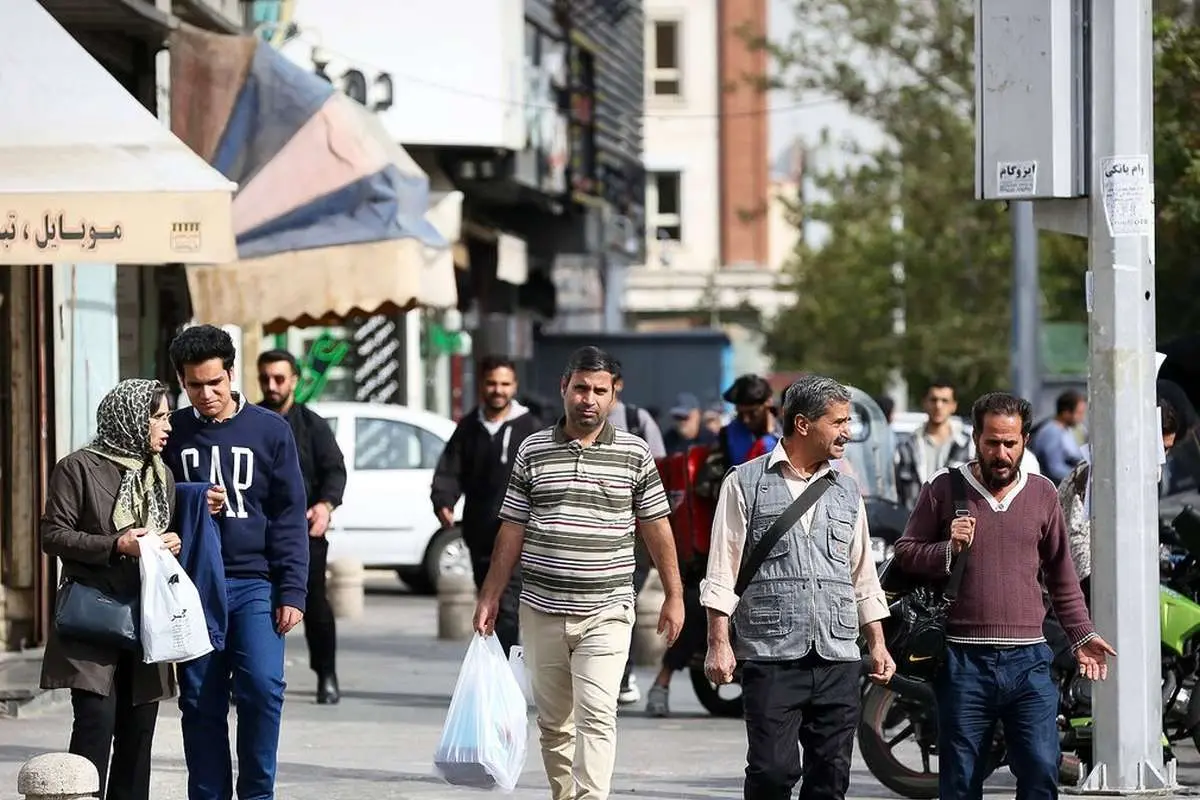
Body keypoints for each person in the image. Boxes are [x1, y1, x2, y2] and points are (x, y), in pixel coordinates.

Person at [473, 345, 684, 800]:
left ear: (614, 395)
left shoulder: (634, 452)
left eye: (599, 391)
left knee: (596, 715)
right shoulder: (533, 449)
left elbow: (656, 526)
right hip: (541, 610)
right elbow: (512, 528)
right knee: (554, 724)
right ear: (564, 388)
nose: (589, 399)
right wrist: (490, 595)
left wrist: (675, 594)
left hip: (606, 610)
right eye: (580, 388)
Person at [894, 391, 1115, 800]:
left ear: (1024, 441)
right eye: (992, 441)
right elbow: (905, 553)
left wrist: (1082, 636)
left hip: (1029, 662)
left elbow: (1062, 576)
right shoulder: (944, 488)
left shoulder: (1043, 494)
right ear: (976, 437)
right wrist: (946, 549)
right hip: (962, 663)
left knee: (1041, 768)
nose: (1000, 452)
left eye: (1009, 443)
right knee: (960, 780)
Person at [701, 374, 895, 800]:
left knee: (830, 777)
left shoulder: (846, 490)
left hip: (838, 656)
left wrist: (877, 643)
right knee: (772, 772)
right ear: (804, 424)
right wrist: (719, 642)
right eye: (838, 421)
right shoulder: (744, 482)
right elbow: (721, 571)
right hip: (771, 657)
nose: (847, 431)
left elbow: (862, 574)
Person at [162, 325, 309, 800]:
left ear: (231, 374)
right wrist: (189, 498)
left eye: (214, 383)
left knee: (263, 690)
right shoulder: (173, 433)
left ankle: (257, 795)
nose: (205, 394)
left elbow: (289, 515)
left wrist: (293, 590)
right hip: (191, 585)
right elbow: (145, 500)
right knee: (200, 701)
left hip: (255, 583)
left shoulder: (271, 431)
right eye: (193, 385)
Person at [40, 379, 183, 800]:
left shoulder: (162, 475)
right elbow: (53, 535)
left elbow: (155, 542)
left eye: (167, 416)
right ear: (131, 420)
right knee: (94, 729)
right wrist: (116, 544)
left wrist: (168, 544)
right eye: (158, 417)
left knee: (138, 739)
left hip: (146, 622)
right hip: (93, 620)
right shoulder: (78, 468)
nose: (167, 426)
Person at [431, 354, 542, 656]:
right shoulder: (469, 427)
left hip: (521, 534)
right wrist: (444, 500)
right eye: (492, 383)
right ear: (482, 385)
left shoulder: (530, 427)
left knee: (505, 604)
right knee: (488, 600)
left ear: (514, 386)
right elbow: (450, 470)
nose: (498, 390)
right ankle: (498, 668)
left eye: (505, 384)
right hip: (481, 535)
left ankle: (504, 670)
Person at [257, 349, 347, 704]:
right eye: (266, 378)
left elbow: (335, 471)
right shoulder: (253, 420)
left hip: (303, 532)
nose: (273, 385)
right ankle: (246, 675)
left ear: (294, 380)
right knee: (254, 602)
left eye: (280, 378)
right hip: (257, 531)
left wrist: (325, 506)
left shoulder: (312, 425)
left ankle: (327, 673)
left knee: (316, 606)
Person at [1060, 394, 1179, 605]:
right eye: (1159, 449)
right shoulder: (1093, 475)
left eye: (1167, 450)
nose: (1162, 458)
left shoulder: (1144, 478)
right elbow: (1076, 538)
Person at [894, 378, 973, 509]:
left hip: (955, 522)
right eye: (933, 400)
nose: (938, 406)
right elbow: (894, 491)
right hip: (914, 522)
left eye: (945, 401)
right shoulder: (906, 446)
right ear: (924, 403)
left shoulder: (968, 445)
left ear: (954, 406)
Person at [1030, 390, 1088, 484]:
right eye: (1079, 413)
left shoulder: (1067, 430)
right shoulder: (1052, 432)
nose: (1082, 418)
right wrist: (1081, 476)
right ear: (1066, 413)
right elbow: (1055, 468)